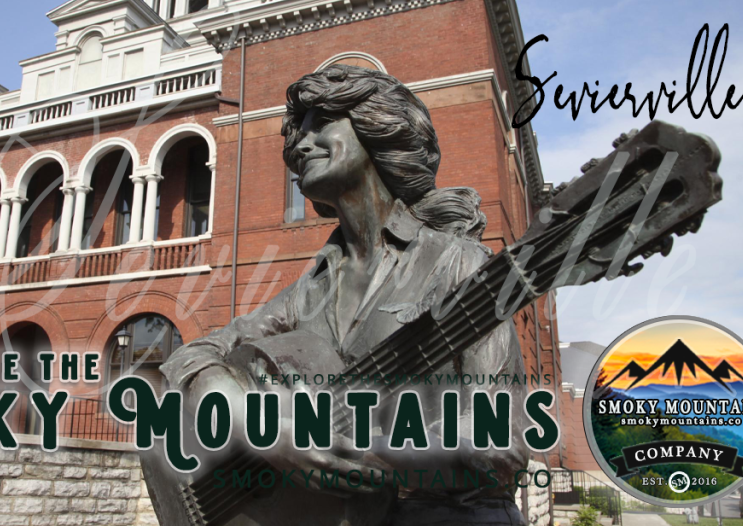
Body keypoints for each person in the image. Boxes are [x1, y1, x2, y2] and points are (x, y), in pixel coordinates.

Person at [160, 64, 530, 525]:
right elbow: (195, 354)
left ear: (378, 128)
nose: (300, 144)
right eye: (299, 132)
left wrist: (368, 446)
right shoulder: (314, 286)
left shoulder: (457, 264)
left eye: (322, 122)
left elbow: (505, 438)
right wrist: (265, 432)